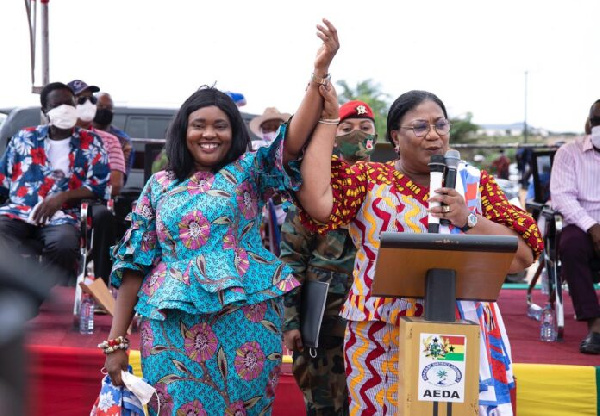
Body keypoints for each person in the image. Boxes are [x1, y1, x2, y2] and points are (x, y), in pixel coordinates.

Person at [103, 19, 339, 415]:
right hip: (170, 324)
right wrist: (116, 343)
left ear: (235, 132)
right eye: (199, 125)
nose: (209, 134)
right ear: (183, 131)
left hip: (247, 319)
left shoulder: (250, 170)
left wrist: (318, 74)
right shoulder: (159, 185)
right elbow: (133, 264)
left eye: (220, 125)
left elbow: (294, 137)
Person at [296, 89, 543, 415]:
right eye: (420, 127)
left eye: (441, 125)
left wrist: (466, 217)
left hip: (453, 332)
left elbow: (523, 256)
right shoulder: (369, 179)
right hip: (378, 334)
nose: (433, 135)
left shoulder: (473, 183)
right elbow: (318, 206)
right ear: (396, 137)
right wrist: (327, 119)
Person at [281, 100, 376, 416]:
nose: (357, 136)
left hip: (374, 318)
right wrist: (291, 321)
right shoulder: (314, 187)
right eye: (346, 129)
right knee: (325, 406)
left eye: (365, 129)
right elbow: (292, 259)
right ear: (332, 138)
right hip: (324, 320)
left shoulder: (388, 183)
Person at [0, 82, 110, 286]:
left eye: (69, 103)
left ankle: (35, 288)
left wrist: (62, 197)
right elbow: (2, 181)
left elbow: (99, 186)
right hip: (20, 211)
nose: (65, 109)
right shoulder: (24, 138)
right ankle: (20, 286)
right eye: (57, 105)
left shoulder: (91, 142)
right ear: (45, 111)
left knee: (65, 245)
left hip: (63, 217)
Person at [550, 99, 600, 354]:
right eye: (597, 120)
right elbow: (562, 197)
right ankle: (595, 326)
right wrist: (592, 226)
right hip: (580, 224)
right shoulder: (569, 153)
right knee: (570, 246)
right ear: (588, 123)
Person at [69, 79, 127, 285]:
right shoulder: (52, 138)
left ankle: (102, 284)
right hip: (57, 204)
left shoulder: (109, 140)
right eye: (80, 100)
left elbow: (115, 185)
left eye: (90, 100)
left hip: (92, 202)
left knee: (103, 217)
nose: (87, 105)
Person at [93, 92, 134, 182]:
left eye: (108, 108)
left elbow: (119, 181)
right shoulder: (81, 133)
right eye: (100, 106)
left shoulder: (123, 141)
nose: (104, 110)